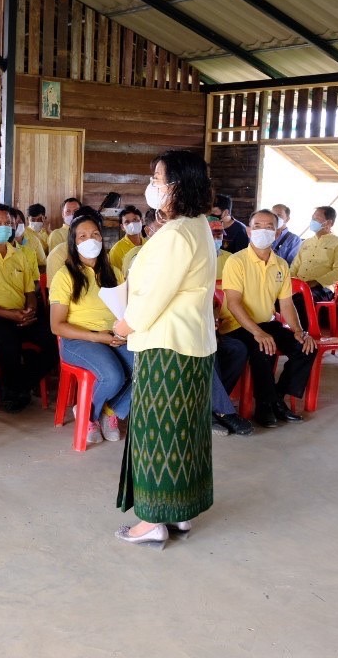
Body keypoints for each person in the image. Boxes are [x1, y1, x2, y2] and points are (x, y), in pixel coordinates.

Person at [112, 150, 217, 548]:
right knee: (185, 430)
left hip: (166, 346)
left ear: (179, 185)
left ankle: (151, 519)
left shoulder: (175, 235)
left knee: (156, 430)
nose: (152, 185)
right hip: (192, 343)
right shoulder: (197, 225)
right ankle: (182, 511)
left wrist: (122, 326)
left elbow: (153, 296)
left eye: (158, 179)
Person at [218, 209, 317, 429]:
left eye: (270, 226)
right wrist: (257, 332)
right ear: (249, 230)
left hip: (268, 322)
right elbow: (234, 303)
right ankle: (265, 406)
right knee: (263, 347)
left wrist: (299, 330)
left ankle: (276, 399)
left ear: (277, 231)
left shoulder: (280, 264)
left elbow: (286, 304)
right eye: (258, 226)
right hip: (237, 325)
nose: (263, 230)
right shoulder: (236, 261)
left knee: (306, 348)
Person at [0, 202, 57, 412]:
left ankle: (15, 386)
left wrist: (31, 309)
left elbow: (29, 291)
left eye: (7, 222)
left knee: (55, 339)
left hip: (21, 316)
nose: (4, 227)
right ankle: (15, 390)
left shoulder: (20, 255)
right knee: (8, 342)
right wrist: (9, 314)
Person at [50, 213, 129, 445]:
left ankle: (110, 411)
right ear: (74, 243)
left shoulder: (114, 273)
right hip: (78, 340)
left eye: (95, 234)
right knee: (113, 376)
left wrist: (119, 332)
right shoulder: (65, 276)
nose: (90, 240)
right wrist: (97, 337)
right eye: (82, 236)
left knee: (147, 368)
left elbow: (125, 310)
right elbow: (57, 326)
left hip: (114, 336)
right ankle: (87, 415)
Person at [288, 206, 338, 330]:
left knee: (300, 300)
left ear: (329, 223)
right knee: (274, 297)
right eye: (312, 218)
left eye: (317, 218)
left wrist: (316, 282)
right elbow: (295, 266)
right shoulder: (306, 243)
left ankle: (303, 338)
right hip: (299, 285)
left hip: (322, 288)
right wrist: (287, 282)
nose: (313, 221)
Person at [109, 206, 144, 271]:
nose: (132, 224)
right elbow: (117, 277)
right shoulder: (116, 251)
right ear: (122, 227)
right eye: (127, 222)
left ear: (141, 221)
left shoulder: (149, 243)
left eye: (135, 220)